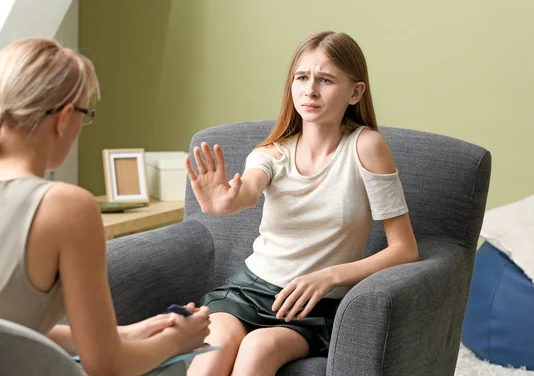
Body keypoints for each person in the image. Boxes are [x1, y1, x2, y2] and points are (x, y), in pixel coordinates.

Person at [185, 31, 419, 376]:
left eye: (325, 80)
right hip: (248, 290)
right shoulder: (271, 153)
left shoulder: (366, 147)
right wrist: (223, 202)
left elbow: (405, 249)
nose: (310, 90)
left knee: (257, 350)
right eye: (302, 77)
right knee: (210, 357)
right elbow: (247, 191)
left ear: (355, 92)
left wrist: (330, 276)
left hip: (313, 306)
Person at [0, 39, 211, 376]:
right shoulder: (66, 208)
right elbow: (107, 367)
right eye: (85, 114)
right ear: (64, 117)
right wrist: (178, 340)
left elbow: (9, 325)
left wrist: (123, 334)